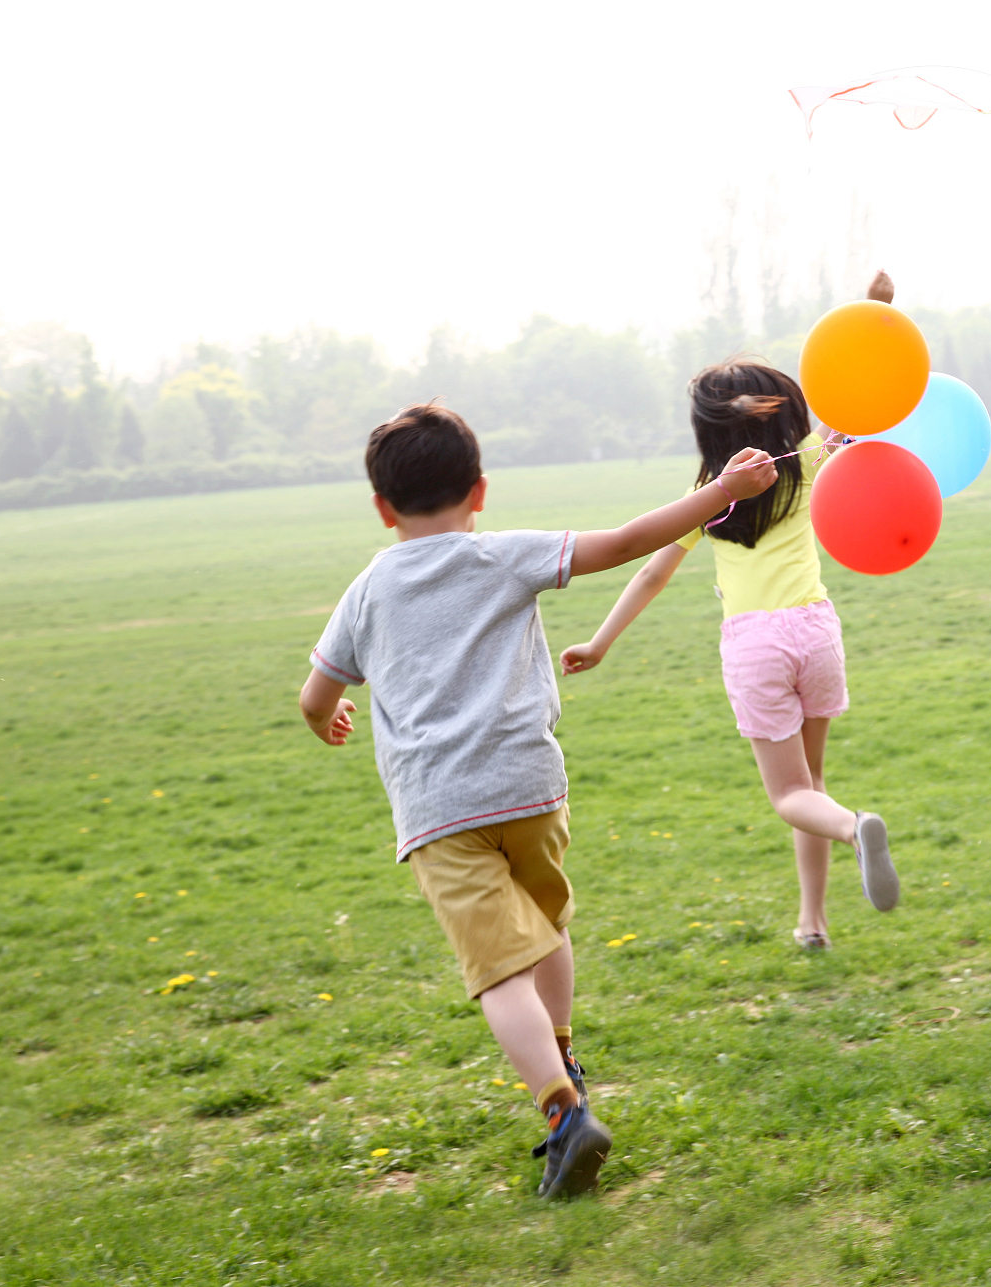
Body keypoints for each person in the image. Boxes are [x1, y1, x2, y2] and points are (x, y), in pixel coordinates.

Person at [299, 402, 776, 1198]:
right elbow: (625, 541)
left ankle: (563, 1111)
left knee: (498, 971)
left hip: (441, 809)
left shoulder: (368, 589)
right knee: (546, 926)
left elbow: (316, 695)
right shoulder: (503, 554)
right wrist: (721, 490)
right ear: (479, 490)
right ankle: (566, 1058)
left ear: (382, 507)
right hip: (529, 787)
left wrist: (327, 719)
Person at [560, 355, 902, 951]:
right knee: (812, 781)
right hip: (816, 632)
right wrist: (876, 326)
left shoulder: (707, 497)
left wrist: (599, 642)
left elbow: (651, 575)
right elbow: (849, 410)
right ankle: (813, 923)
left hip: (755, 647)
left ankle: (854, 829)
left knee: (791, 796)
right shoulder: (808, 464)